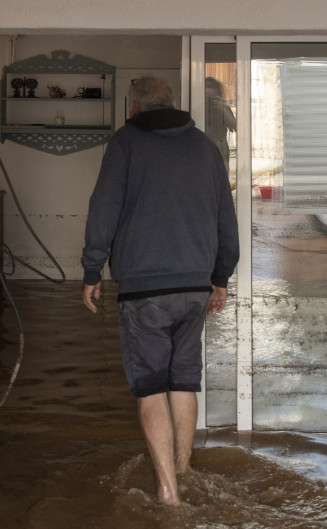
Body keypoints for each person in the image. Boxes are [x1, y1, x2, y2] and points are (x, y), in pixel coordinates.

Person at [80, 75, 240, 506]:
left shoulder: (125, 143)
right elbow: (227, 219)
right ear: (172, 103)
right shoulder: (206, 148)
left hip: (144, 289)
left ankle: (168, 491)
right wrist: (221, 278)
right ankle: (185, 472)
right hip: (194, 288)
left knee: (150, 386)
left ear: (135, 107)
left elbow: (103, 207)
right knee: (183, 382)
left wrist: (92, 269)